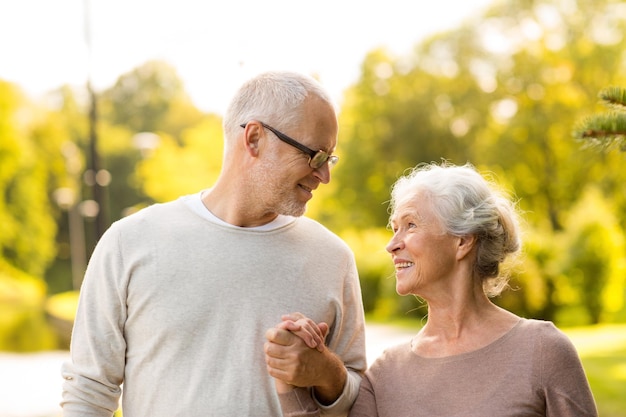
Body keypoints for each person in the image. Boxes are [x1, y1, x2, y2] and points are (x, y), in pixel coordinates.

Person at [61, 71, 367, 417]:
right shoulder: (129, 242)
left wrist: (326, 372)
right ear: (254, 138)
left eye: (330, 159)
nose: (325, 175)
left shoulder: (332, 257)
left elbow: (360, 399)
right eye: (315, 156)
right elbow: (87, 393)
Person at [270, 162, 598, 417]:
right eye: (394, 229)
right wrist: (291, 378)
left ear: (462, 240)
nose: (391, 246)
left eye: (410, 225)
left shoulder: (543, 351)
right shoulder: (386, 375)